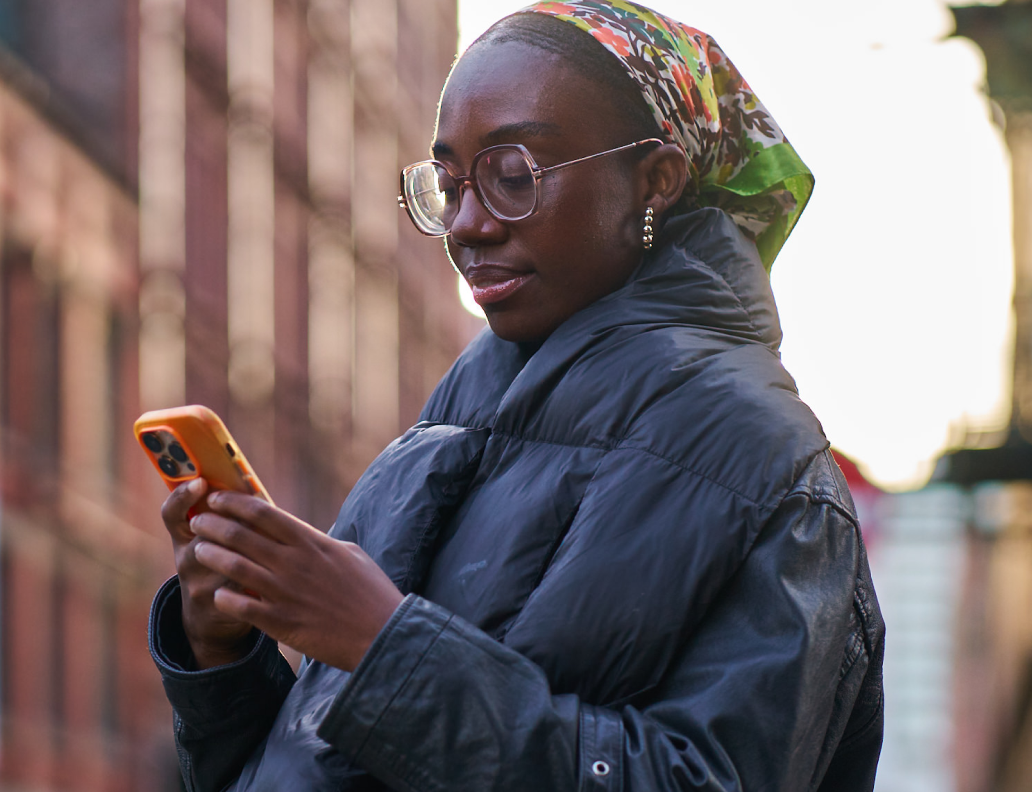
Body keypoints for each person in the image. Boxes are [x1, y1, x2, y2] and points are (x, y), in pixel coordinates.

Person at [149, 2, 885, 790]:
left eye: (511, 175)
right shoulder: (442, 433)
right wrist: (223, 654)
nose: (465, 223)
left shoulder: (765, 459)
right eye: (448, 182)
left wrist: (383, 645)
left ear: (656, 180)